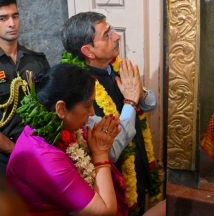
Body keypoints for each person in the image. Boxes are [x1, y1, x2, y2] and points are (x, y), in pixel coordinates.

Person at [61, 12, 159, 215]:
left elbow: (149, 104)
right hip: (115, 182)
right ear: (88, 51)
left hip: (138, 165)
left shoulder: (114, 66)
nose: (117, 36)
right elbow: (111, 150)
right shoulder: (80, 90)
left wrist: (140, 92)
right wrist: (131, 101)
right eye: (107, 35)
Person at [6, 64, 128, 215]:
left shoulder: (52, 129)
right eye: (88, 105)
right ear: (61, 109)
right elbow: (105, 212)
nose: (92, 112)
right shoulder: (44, 157)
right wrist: (100, 153)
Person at [0, 0, 49, 177]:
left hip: (41, 151)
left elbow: (50, 106)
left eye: (15, 16)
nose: (12, 23)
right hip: (5, 160)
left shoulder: (36, 60)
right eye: (3, 19)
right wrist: (15, 150)